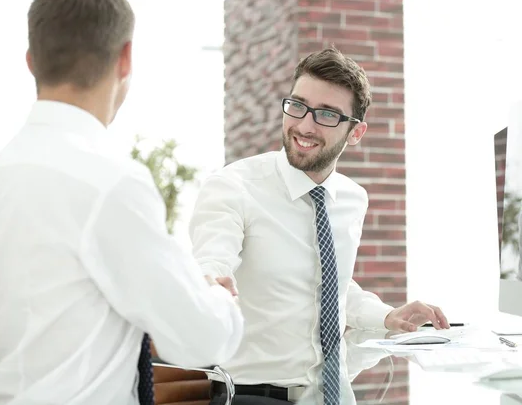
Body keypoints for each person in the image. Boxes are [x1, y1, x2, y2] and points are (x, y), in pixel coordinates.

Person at [0, 0, 243, 404]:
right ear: (126, 58)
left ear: (31, 61)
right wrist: (216, 296)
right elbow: (202, 339)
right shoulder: (112, 182)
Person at [189, 47, 449, 405]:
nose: (305, 125)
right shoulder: (233, 186)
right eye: (297, 106)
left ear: (355, 133)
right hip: (253, 397)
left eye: (326, 114)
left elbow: (331, 285)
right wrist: (208, 283)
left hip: (336, 395)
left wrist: (389, 316)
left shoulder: (352, 199)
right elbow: (213, 260)